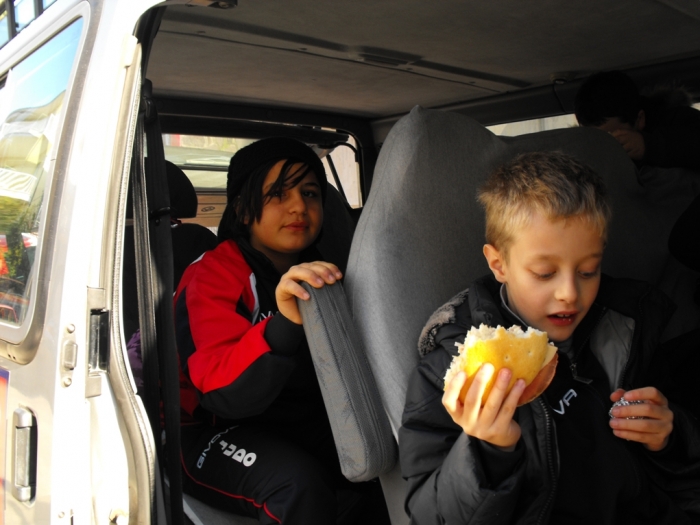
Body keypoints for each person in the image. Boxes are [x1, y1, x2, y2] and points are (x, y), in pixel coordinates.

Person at [399, 151, 700, 524]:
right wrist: (487, 452)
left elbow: (681, 470)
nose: (570, 294)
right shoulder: (451, 372)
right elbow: (429, 515)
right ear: (499, 265)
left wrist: (667, 437)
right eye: (544, 273)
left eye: (589, 271)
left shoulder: (627, 329)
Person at [174, 137, 388, 524]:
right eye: (277, 194)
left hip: (288, 421)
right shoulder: (211, 275)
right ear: (241, 209)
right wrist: (284, 325)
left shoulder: (326, 269)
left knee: (381, 458)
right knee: (297, 485)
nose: (298, 207)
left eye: (310, 193)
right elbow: (222, 393)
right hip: (207, 430)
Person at [574, 70, 700, 170]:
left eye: (610, 136)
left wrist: (649, 146)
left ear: (639, 119)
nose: (602, 146)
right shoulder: (581, 152)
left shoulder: (681, 121)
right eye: (592, 138)